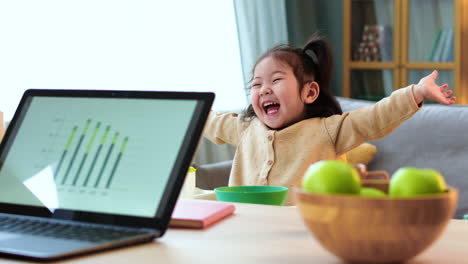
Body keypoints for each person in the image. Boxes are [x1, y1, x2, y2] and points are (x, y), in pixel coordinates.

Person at [203, 34, 456, 205]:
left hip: (305, 233)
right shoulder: (244, 128)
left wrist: (417, 92)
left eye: (276, 80)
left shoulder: (328, 130)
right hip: (244, 230)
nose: (264, 89)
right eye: (256, 84)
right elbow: (205, 120)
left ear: (309, 92)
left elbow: (375, 117)